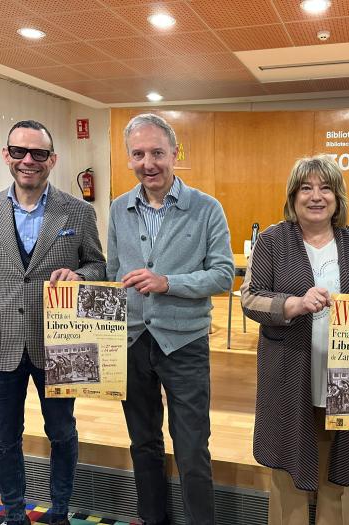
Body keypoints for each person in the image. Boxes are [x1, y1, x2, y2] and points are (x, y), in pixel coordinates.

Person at [0, 120, 106, 525]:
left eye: (39, 153)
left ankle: (59, 511)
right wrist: (8, 306)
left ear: (52, 159)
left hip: (64, 344)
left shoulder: (78, 210)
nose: (28, 160)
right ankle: (14, 514)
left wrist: (81, 276)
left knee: (62, 433)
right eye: (19, 151)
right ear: (6, 155)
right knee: (4, 439)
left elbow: (98, 264)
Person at [107, 113, 234, 525]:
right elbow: (112, 273)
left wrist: (168, 282)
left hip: (185, 345)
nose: (149, 163)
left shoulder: (206, 208)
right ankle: (152, 518)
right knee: (142, 442)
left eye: (158, 153)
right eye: (139, 154)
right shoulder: (117, 209)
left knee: (193, 447)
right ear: (129, 158)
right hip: (131, 345)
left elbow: (222, 274)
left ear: (176, 154)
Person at [241, 155, 349, 525]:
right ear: (293, 196)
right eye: (306, 188)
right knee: (288, 470)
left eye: (326, 187)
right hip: (290, 374)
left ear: (338, 197)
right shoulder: (272, 240)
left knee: (341, 473)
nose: (316, 196)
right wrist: (294, 304)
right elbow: (250, 298)